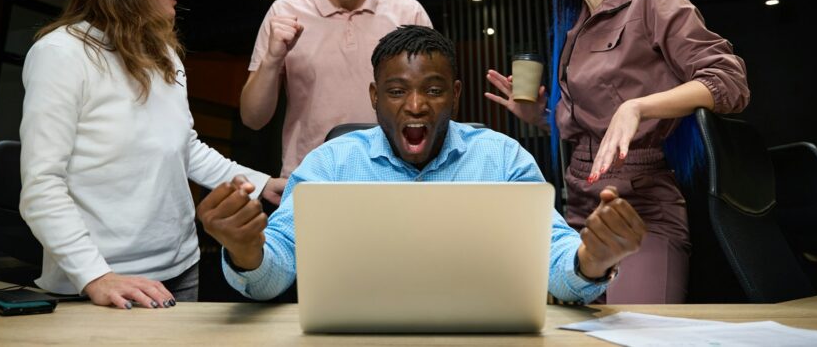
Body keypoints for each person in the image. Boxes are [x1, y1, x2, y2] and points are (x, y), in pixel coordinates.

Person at [198, 25, 646, 304]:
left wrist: (591, 261)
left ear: (454, 94)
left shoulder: (502, 158)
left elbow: (555, 260)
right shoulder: (330, 164)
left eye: (432, 91)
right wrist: (246, 251)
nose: (415, 106)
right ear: (375, 98)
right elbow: (276, 271)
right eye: (396, 91)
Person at [485, 0, 749, 303]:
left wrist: (639, 106)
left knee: (635, 333)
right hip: (574, 214)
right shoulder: (573, 31)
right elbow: (592, 127)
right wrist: (540, 115)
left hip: (640, 210)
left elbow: (729, 81)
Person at [19, 0, 285, 309]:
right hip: (99, 284)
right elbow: (41, 186)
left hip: (181, 271)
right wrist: (96, 276)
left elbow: (184, 147)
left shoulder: (166, 55)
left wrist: (263, 185)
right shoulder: (60, 54)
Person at [239, 0, 432, 177]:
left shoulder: (408, 12)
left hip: (396, 175)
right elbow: (253, 119)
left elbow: (433, 105)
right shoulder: (285, 13)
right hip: (312, 176)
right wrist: (271, 60)